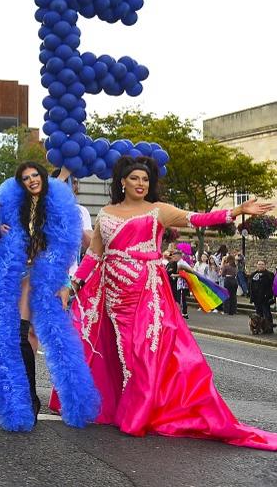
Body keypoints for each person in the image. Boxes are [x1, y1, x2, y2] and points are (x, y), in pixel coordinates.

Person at [63, 155, 277, 450]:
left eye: (145, 179)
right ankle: (124, 406)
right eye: (135, 178)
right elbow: (94, 256)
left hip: (146, 292)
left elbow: (196, 218)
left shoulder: (158, 211)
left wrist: (237, 211)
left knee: (142, 351)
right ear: (122, 182)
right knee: (120, 351)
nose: (141, 183)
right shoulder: (106, 214)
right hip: (112, 294)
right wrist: (73, 284)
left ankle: (139, 413)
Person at [0, 163, 97, 432]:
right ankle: (27, 398)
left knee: (58, 341)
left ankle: (75, 402)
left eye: (35, 175)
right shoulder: (15, 207)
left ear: (43, 178)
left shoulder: (60, 208)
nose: (32, 180)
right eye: (25, 178)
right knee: (18, 336)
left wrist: (67, 282)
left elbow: (67, 249)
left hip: (48, 279)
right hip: (20, 276)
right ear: (20, 183)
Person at [249, 260, 275, 332]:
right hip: (256, 298)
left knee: (267, 314)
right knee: (258, 315)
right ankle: (259, 328)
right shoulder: (253, 275)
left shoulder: (270, 275)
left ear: (265, 265)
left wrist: (270, 295)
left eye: (262, 264)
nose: (260, 265)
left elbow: (273, 286)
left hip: (265, 298)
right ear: (256, 265)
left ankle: (269, 328)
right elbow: (250, 285)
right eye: (259, 264)